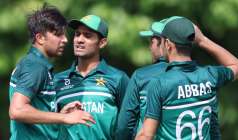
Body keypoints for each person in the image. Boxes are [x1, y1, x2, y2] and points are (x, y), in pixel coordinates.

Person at [135, 16, 238, 140]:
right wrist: (203, 40)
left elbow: (146, 135)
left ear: (168, 44)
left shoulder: (159, 83)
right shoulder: (210, 76)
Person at [8, 4, 95, 140]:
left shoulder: (35, 64)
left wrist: (59, 113)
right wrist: (64, 117)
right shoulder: (35, 66)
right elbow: (17, 111)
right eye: (58, 34)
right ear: (40, 38)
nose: (65, 40)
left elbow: (33, 111)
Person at [54, 15, 129, 140]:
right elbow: (45, 127)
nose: (79, 40)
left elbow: (129, 124)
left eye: (87, 36)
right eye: (77, 34)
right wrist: (60, 117)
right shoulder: (57, 80)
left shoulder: (118, 78)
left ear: (102, 42)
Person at [116, 19, 168, 140]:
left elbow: (124, 126)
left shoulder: (141, 76)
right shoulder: (194, 74)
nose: (150, 47)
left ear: (163, 42)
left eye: (152, 42)